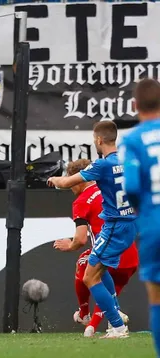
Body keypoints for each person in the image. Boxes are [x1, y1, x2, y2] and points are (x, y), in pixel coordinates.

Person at [47, 120, 137, 338]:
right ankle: (116, 319)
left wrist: (54, 179)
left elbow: (69, 182)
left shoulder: (102, 165)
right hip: (129, 224)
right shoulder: (127, 160)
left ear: (98, 140)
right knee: (97, 271)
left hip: (114, 226)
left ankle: (117, 325)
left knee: (90, 277)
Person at [118, 78, 160, 354]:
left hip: (153, 225)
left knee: (156, 297)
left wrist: (136, 208)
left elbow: (131, 185)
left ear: (135, 105)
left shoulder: (132, 140)